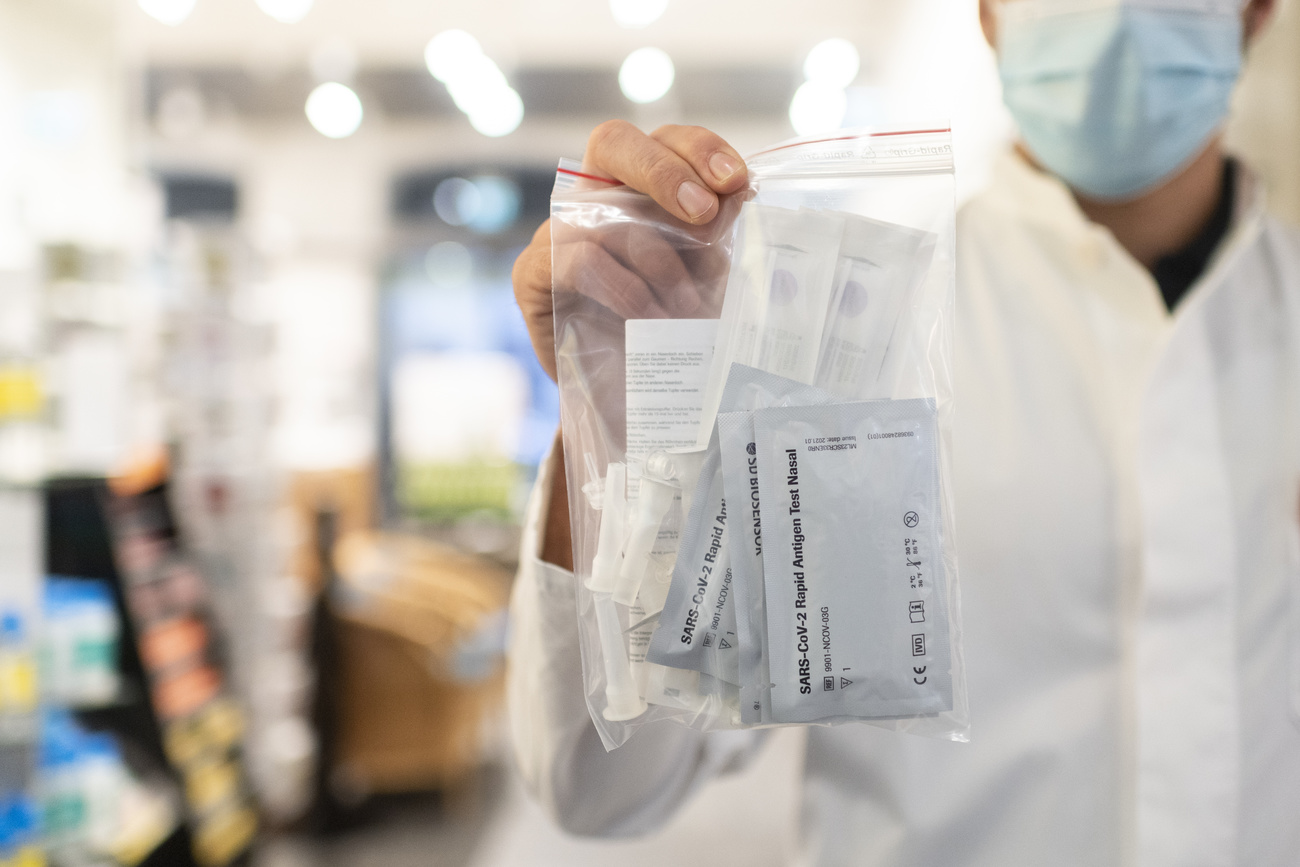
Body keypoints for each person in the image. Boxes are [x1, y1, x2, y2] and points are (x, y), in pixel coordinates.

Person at [507, 0, 1300, 863]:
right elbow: (602, 786)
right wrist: (615, 427)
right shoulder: (847, 323)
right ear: (991, 14)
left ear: (1256, 12)